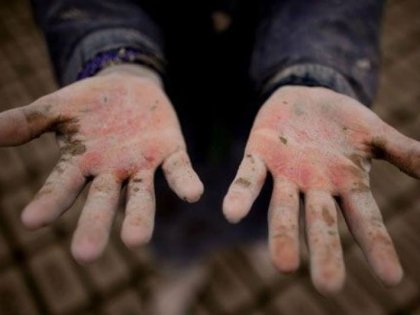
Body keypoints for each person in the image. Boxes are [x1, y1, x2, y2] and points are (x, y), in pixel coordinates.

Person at [0, 0, 419, 297]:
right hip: (164, 113)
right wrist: (115, 55)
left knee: (273, 199)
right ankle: (183, 267)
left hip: (269, 114)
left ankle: (257, 239)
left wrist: (315, 73)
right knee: (173, 214)